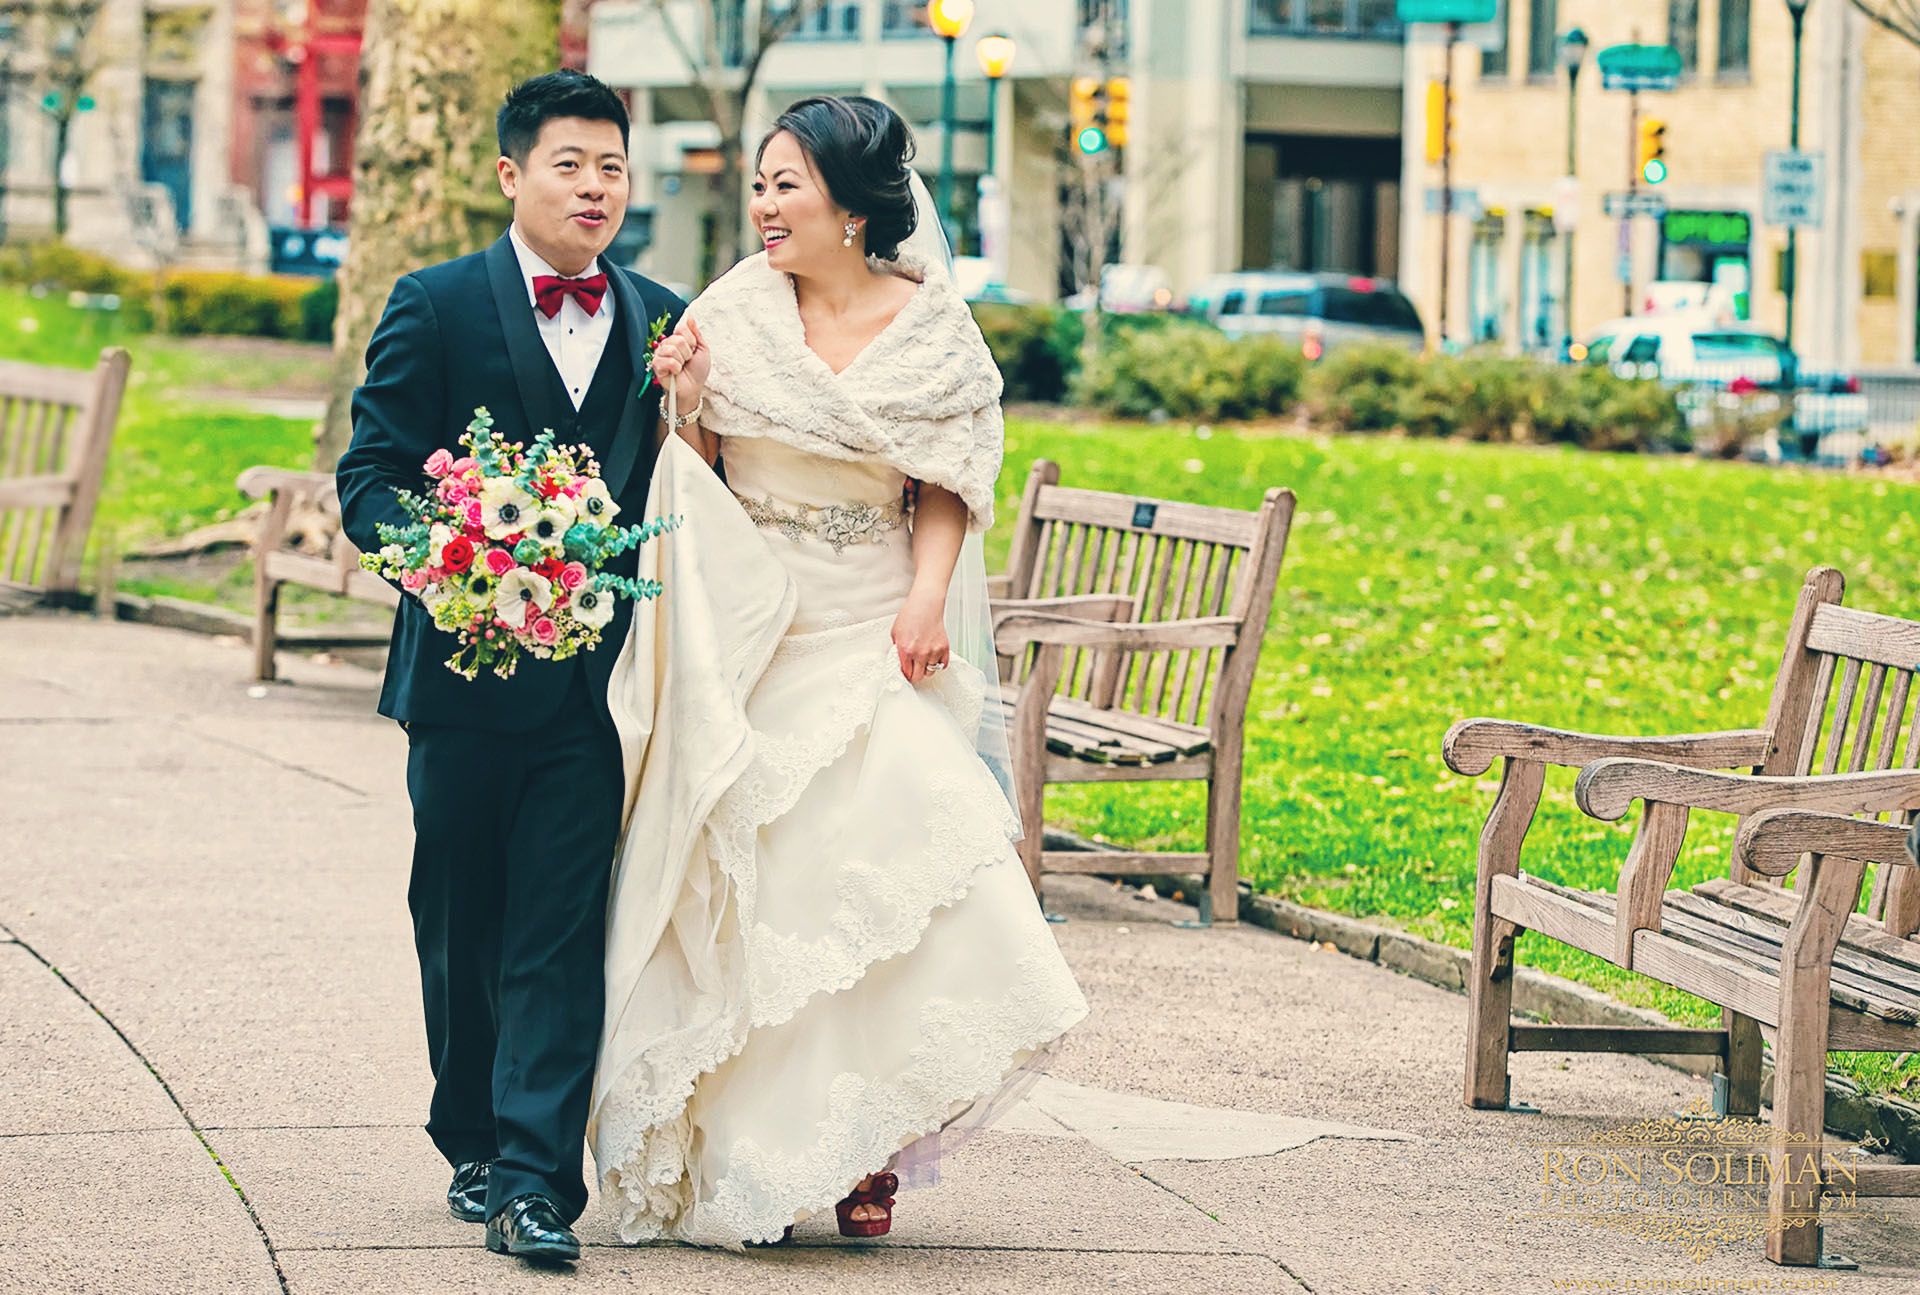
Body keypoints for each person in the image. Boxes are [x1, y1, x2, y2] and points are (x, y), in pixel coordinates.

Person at [589, 94, 1089, 1249]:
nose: (763, 206)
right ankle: (750, 1141)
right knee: (764, 892)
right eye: (759, 185)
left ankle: (871, 1137)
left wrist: (926, 598)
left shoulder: (935, 330)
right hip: (755, 628)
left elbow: (951, 481)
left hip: (875, 625)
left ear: (853, 206)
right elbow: (695, 477)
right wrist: (684, 399)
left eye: (785, 185)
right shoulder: (730, 311)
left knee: (897, 870)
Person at [335, 70, 684, 1266]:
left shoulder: (665, 320)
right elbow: (369, 476)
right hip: (462, 684)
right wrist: (449, 560)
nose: (595, 187)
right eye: (571, 163)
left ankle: (537, 1179)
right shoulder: (433, 305)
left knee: (558, 924)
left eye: (613, 168)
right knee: (461, 916)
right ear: (511, 175)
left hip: (599, 692)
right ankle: (471, 1127)